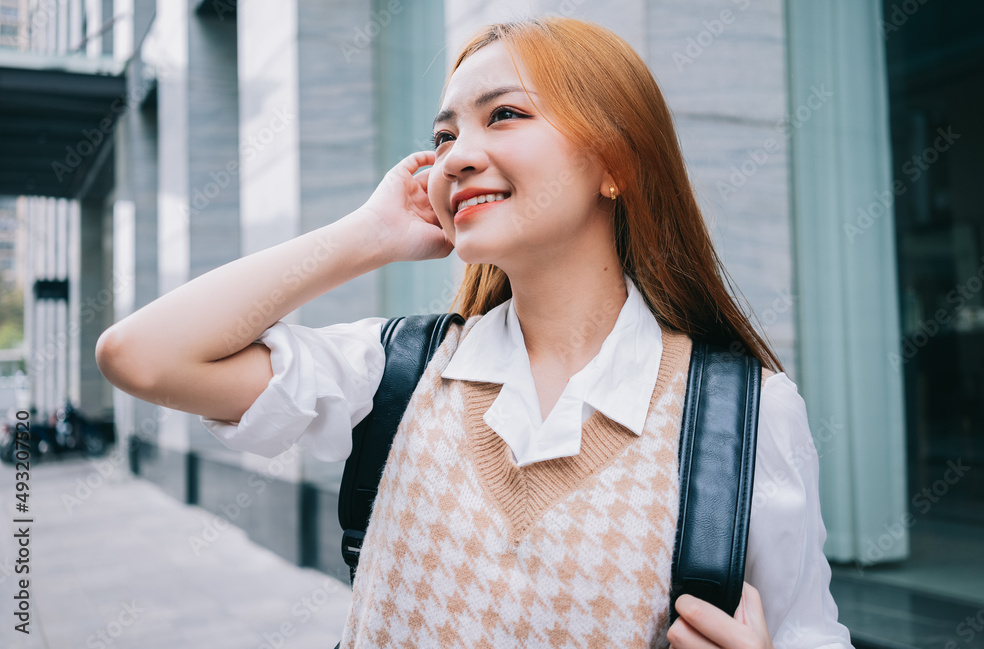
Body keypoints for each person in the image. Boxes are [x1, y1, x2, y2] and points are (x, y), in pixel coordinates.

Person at [97, 16, 854, 649]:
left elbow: (809, 630)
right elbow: (142, 355)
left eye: (505, 114)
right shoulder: (391, 374)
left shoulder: (742, 414)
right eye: (444, 133)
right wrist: (367, 233)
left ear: (614, 163)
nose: (456, 154)